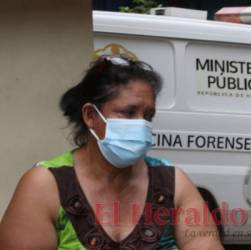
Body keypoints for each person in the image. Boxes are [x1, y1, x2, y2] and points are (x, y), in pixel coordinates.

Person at [0, 55, 224, 250]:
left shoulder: (172, 183)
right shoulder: (46, 186)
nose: (141, 124)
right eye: (128, 113)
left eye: (148, 116)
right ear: (90, 116)